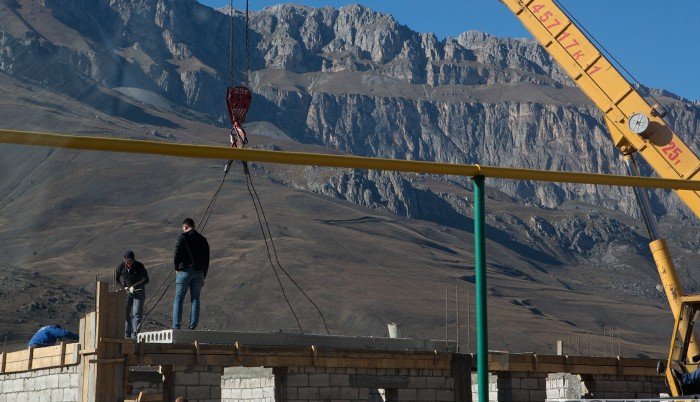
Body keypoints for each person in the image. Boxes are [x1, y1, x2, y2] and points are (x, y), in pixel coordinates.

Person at [172, 218, 210, 330]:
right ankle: (193, 325)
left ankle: (176, 326)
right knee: (195, 299)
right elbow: (207, 259)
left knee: (179, 298)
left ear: (185, 227)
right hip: (199, 273)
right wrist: (204, 275)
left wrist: (176, 268)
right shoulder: (203, 239)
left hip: (185, 271)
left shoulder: (183, 237)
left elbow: (177, 253)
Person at [115, 250, 149, 338]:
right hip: (127, 292)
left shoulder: (139, 266)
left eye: (130, 261)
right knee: (125, 313)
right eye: (126, 261)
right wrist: (123, 287)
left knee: (136, 313)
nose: (128, 263)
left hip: (139, 291)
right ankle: (127, 335)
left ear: (133, 260)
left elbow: (146, 279)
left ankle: (135, 335)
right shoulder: (121, 267)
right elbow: (116, 280)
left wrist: (134, 286)